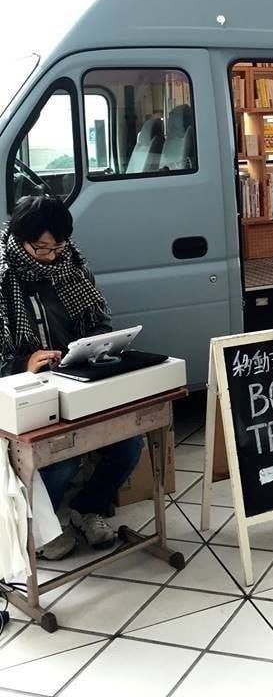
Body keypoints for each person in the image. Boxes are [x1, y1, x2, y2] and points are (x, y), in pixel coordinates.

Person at [0, 196, 143, 560]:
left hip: (75, 375)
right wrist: (24, 361)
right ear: (20, 239)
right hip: (24, 389)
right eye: (41, 248)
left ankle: (87, 508)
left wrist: (96, 343)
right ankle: (40, 528)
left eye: (57, 246)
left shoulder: (73, 263)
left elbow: (97, 316)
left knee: (129, 443)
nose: (51, 255)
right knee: (60, 460)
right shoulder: (3, 274)